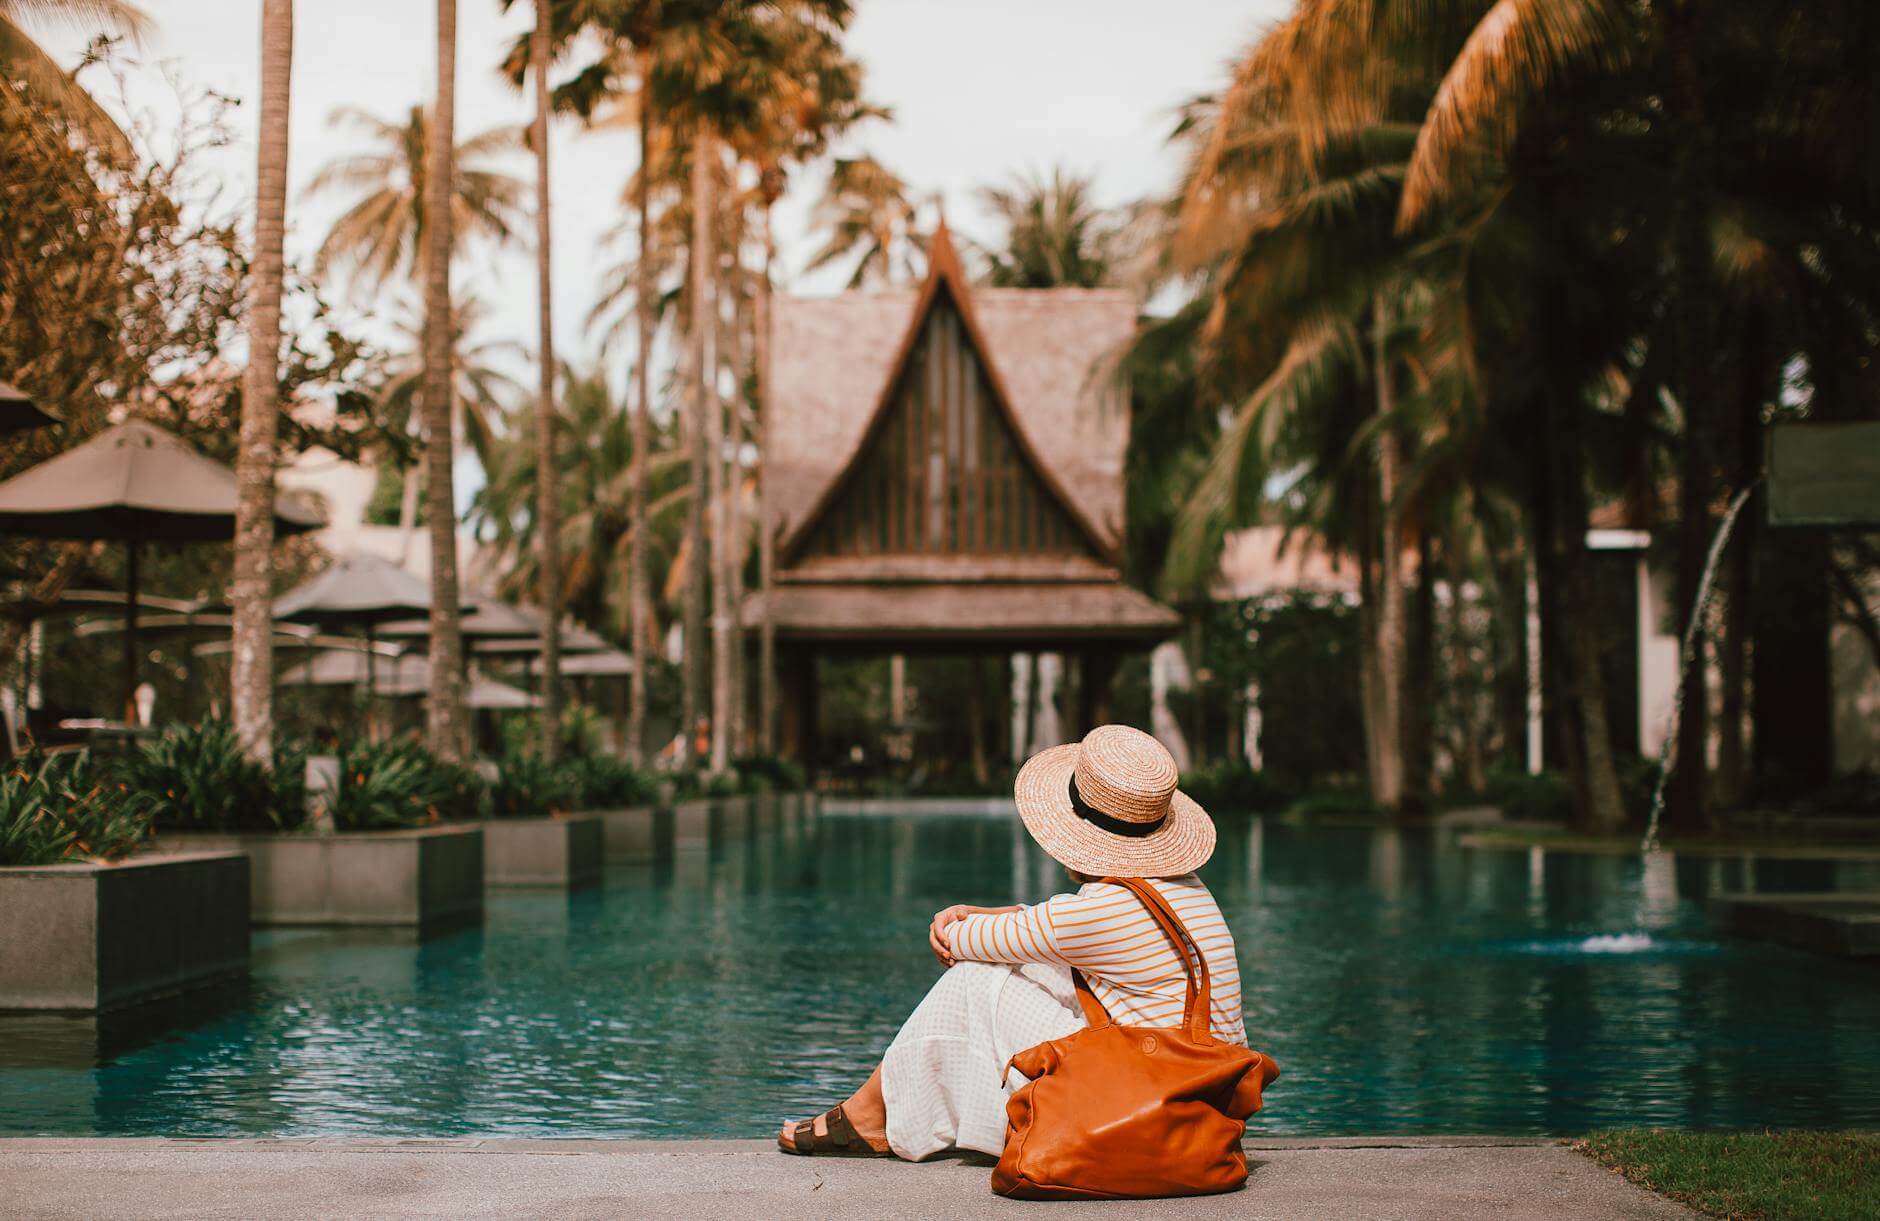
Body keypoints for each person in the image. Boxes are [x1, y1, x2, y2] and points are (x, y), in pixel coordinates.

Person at [779, 724, 1246, 1159]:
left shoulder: (1100, 911)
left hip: (1149, 1101)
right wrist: (987, 914)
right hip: (1202, 1095)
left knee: (978, 979)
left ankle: (868, 1114)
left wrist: (952, 921)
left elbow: (968, 942)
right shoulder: (1180, 887)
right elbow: (1051, 928)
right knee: (1038, 966)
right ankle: (884, 1111)